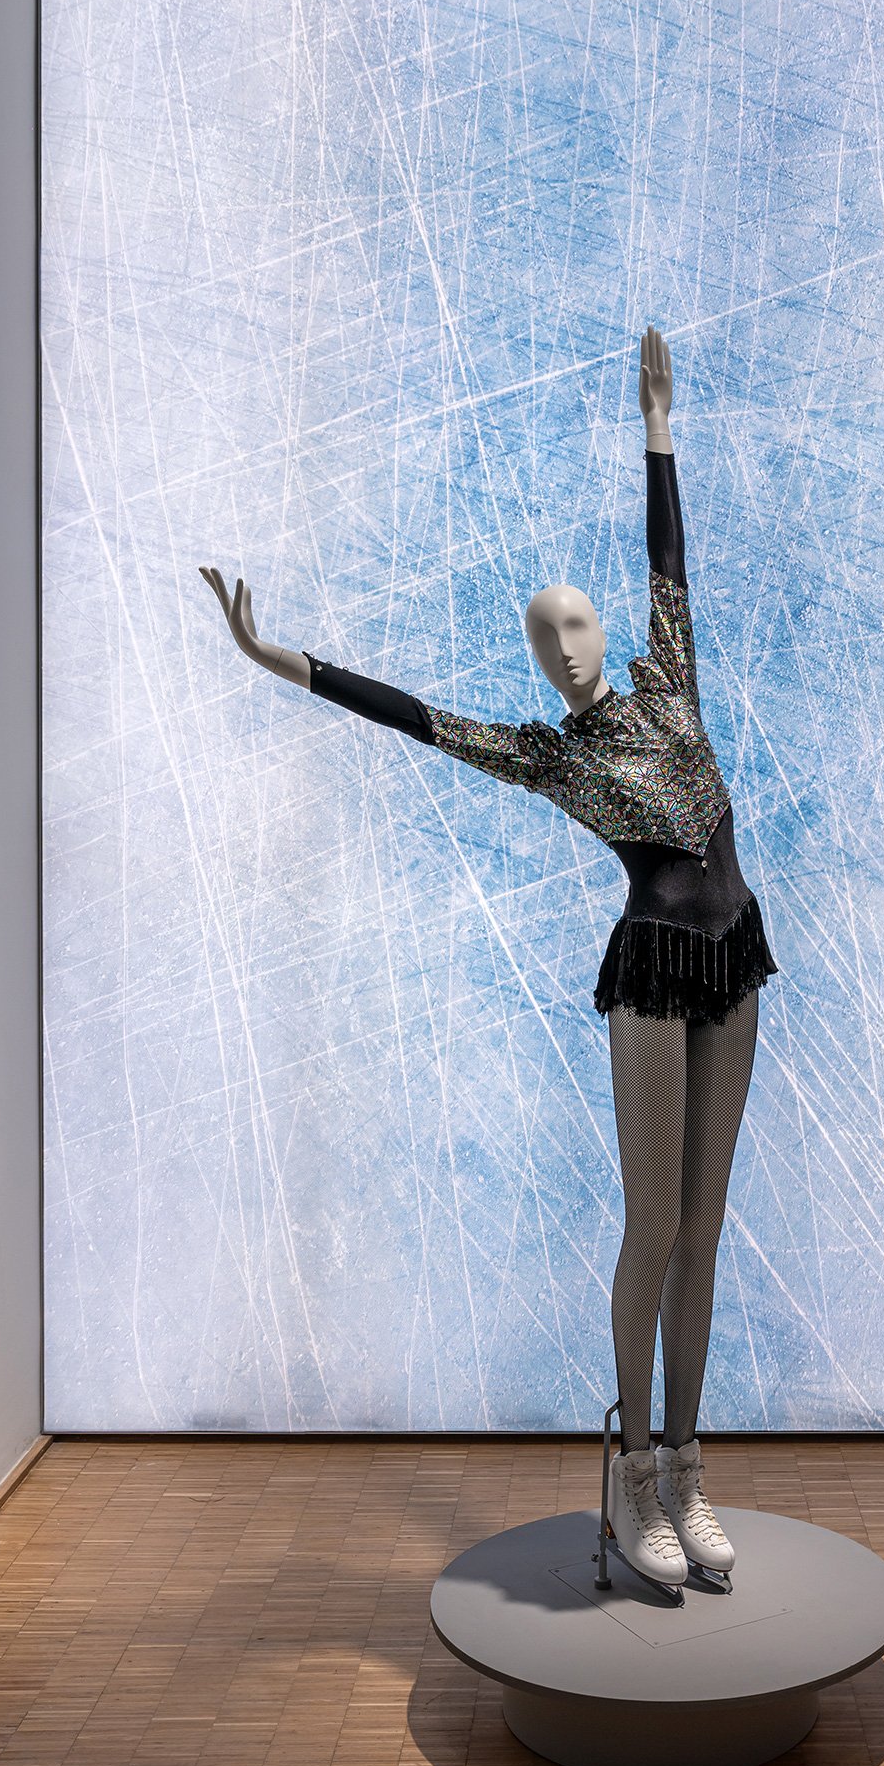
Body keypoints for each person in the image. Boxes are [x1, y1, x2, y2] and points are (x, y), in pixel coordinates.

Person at [201, 327, 775, 1589]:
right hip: (651, 969)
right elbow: (412, 716)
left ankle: (686, 1466)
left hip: (735, 948)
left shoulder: (668, 670)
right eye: (542, 638)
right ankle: (632, 1484)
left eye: (574, 626)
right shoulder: (544, 751)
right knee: (653, 1227)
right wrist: (276, 657)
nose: (565, 646)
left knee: (709, 1226)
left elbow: (665, 558)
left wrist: (658, 429)